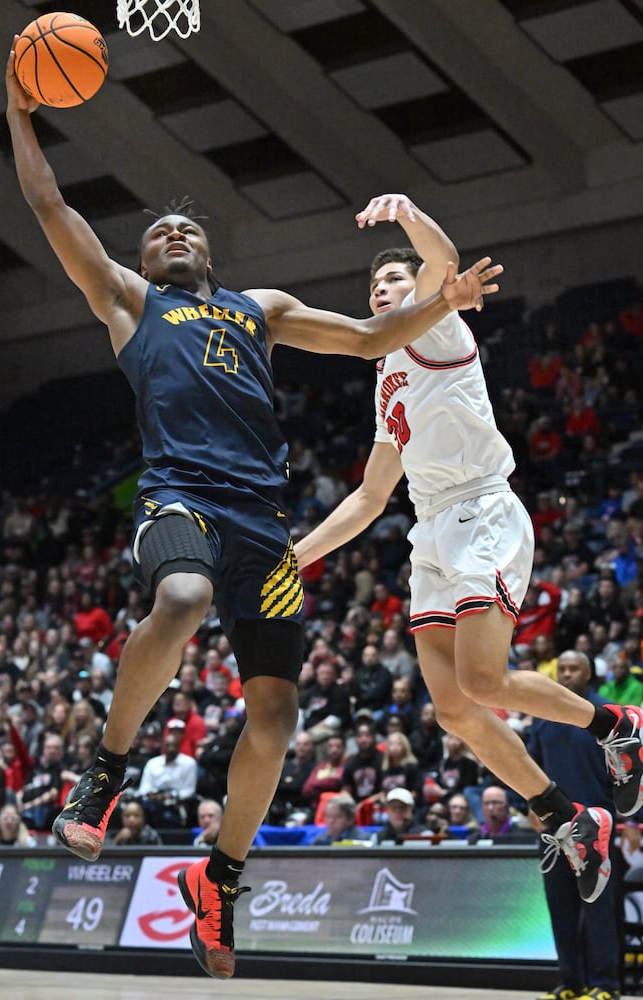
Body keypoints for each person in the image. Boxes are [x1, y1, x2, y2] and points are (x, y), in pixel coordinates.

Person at [6, 57, 500, 980]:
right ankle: (107, 772)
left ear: (210, 252)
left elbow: (361, 339)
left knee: (275, 711)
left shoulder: (256, 309)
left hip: (263, 524)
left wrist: (442, 301)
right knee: (183, 596)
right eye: (159, 231)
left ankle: (219, 881)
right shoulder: (130, 302)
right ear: (144, 260)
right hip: (181, 500)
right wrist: (17, 105)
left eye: (189, 226)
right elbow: (48, 209)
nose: (176, 232)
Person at [293, 192, 643, 908]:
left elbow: (443, 263)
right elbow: (366, 498)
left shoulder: (438, 331)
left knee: (484, 682)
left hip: (482, 510)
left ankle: (620, 723)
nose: (380, 293)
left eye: (391, 282)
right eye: (373, 289)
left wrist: (406, 213)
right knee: (452, 709)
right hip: (429, 536)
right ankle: (568, 818)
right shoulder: (387, 377)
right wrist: (296, 556)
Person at [530, 650, 622, 1000]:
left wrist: (631, 821)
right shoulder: (543, 715)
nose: (566, 674)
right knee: (560, 908)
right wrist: (527, 805)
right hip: (553, 830)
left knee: (599, 908)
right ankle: (572, 984)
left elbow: (629, 773)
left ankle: (606, 985)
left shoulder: (608, 715)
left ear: (589, 673)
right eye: (562, 668)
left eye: (573, 669)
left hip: (599, 826)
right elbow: (527, 765)